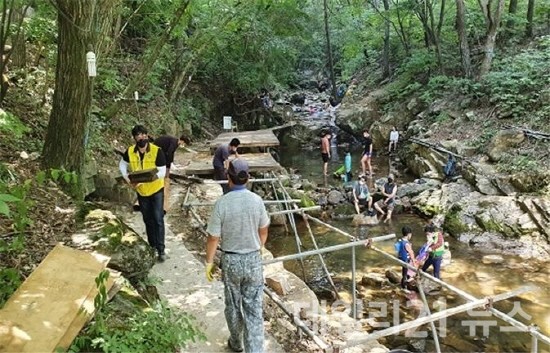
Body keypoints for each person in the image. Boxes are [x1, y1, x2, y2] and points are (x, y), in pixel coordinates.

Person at [205, 158, 269, 353]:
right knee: (253, 308)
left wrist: (209, 262)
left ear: (228, 177)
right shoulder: (257, 201)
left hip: (231, 260)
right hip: (253, 260)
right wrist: (260, 246)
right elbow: (264, 227)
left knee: (233, 305)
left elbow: (213, 238)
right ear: (248, 178)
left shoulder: (222, 204)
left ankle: (236, 342)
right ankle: (255, 349)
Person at [119, 125, 167, 262]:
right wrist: (127, 177)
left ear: (147, 136)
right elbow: (122, 165)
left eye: (143, 134)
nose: (141, 137)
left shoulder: (157, 151)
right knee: (148, 220)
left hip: (156, 190)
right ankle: (152, 247)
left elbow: (162, 171)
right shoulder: (129, 152)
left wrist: (147, 179)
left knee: (158, 219)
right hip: (141, 192)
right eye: (138, 135)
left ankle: (161, 249)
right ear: (134, 138)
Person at [148, 134, 190, 213]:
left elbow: (171, 154)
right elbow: (169, 153)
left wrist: (170, 164)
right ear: (181, 141)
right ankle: (160, 179)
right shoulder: (174, 143)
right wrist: (168, 166)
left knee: (165, 164)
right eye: (184, 144)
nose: (183, 145)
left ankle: (163, 177)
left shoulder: (174, 142)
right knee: (161, 164)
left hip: (160, 148)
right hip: (157, 148)